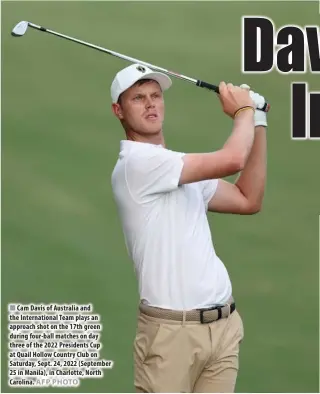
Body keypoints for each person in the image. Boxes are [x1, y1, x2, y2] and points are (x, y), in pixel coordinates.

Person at [110, 63, 267, 393]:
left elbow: (247, 198)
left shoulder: (177, 167)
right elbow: (233, 159)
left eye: (156, 95)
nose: (151, 103)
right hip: (171, 335)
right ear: (118, 111)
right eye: (138, 98)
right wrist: (242, 111)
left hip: (222, 329)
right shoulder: (138, 164)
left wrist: (258, 120)